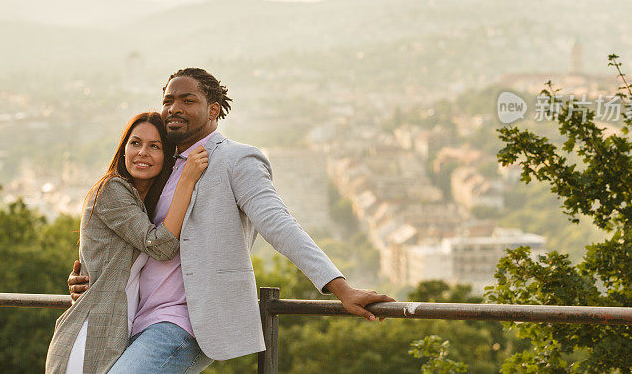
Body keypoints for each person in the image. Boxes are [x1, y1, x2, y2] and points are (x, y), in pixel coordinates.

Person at [69, 68, 395, 372]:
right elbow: (134, 234)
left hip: (185, 321)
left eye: (187, 100)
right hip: (135, 318)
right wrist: (93, 278)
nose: (174, 108)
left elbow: (279, 224)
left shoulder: (236, 159)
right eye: (168, 100)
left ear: (213, 110)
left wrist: (340, 288)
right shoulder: (162, 163)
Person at [46, 112, 208, 373]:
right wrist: (187, 178)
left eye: (154, 146)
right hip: (91, 334)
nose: (142, 152)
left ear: (166, 156)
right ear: (123, 150)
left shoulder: (143, 207)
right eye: (135, 143)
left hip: (118, 333)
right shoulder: (112, 189)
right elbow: (162, 246)